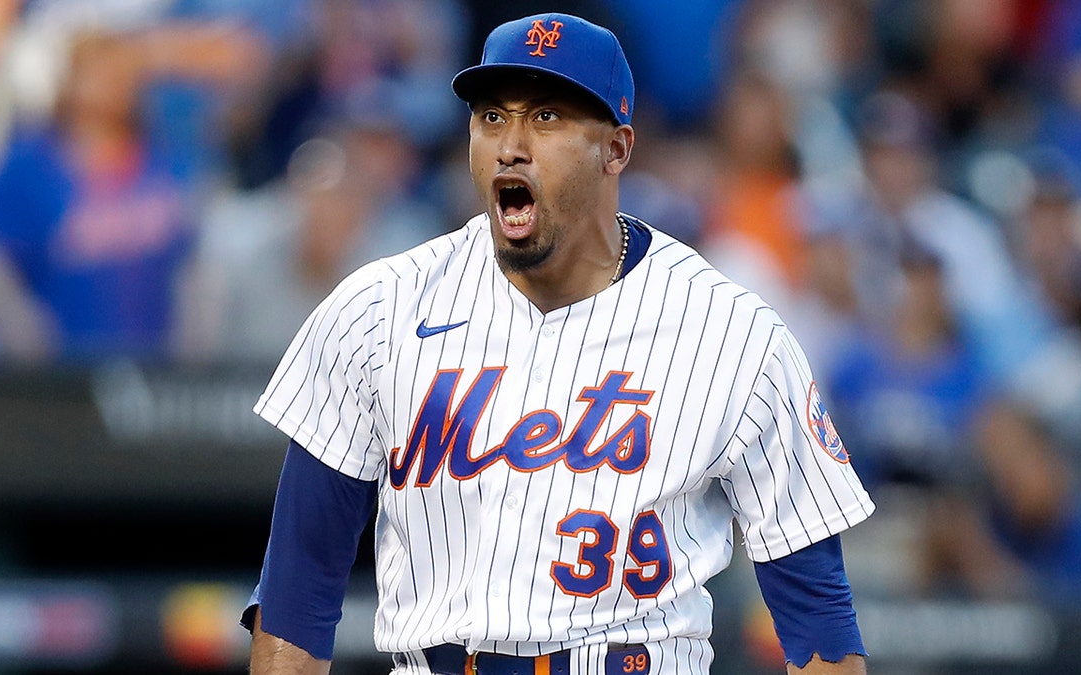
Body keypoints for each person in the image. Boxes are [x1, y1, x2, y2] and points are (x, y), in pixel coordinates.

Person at [241, 12, 875, 674]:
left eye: (546, 118)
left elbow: (818, 621)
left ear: (617, 148)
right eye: (491, 117)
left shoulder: (732, 333)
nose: (511, 145)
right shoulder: (376, 311)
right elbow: (296, 592)